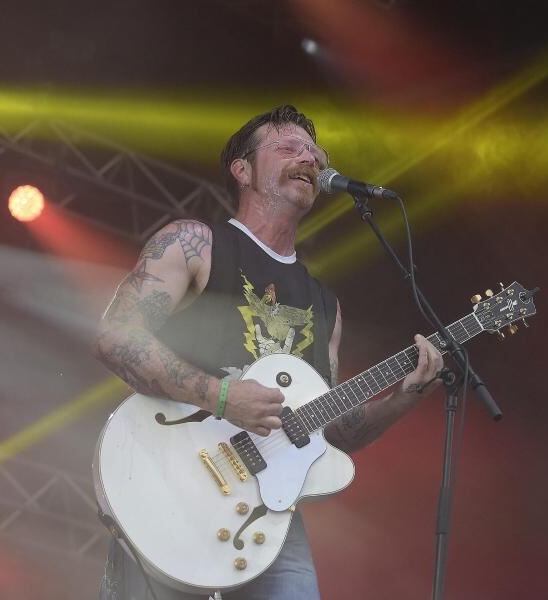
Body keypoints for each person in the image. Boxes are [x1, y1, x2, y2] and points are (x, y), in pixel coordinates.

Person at [95, 105, 444, 600]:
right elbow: (116, 336)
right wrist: (222, 396)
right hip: (169, 481)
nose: (310, 159)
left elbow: (331, 432)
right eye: (288, 148)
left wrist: (403, 398)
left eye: (316, 154)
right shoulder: (195, 243)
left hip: (266, 520)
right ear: (243, 170)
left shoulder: (325, 306)